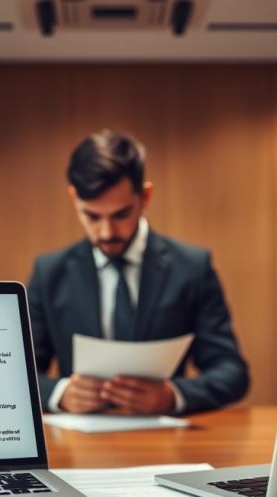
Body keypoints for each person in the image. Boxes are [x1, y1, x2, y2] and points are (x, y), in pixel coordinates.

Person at [27, 129, 249, 415]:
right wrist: (61, 393)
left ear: (145, 196)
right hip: (77, 444)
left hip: (168, 444)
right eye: (92, 216)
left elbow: (231, 371)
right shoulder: (49, 273)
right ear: (74, 200)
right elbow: (20, 374)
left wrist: (172, 396)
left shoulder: (192, 267)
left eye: (121, 214)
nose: (107, 233)